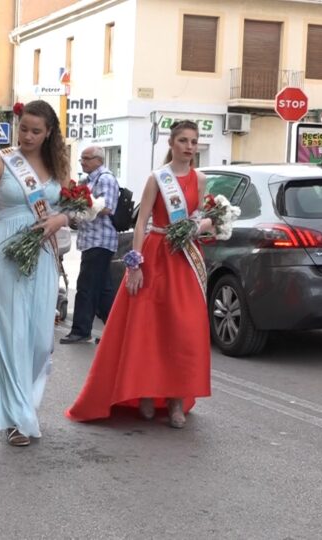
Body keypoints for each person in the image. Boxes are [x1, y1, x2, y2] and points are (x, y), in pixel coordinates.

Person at [66, 120, 212, 429]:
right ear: (171, 144)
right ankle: (145, 393)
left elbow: (205, 216)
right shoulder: (157, 178)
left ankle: (175, 400)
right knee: (149, 329)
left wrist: (201, 226)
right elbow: (142, 221)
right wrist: (135, 265)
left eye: (193, 140)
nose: (189, 146)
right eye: (183, 140)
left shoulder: (200, 179)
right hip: (156, 255)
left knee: (181, 330)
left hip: (184, 259)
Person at [0, 100, 70, 447]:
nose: (27, 136)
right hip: (4, 248)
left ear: (49, 132)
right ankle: (15, 417)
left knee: (39, 338)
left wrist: (59, 219)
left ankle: (26, 403)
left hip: (42, 251)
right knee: (10, 333)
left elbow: (73, 206)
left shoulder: (58, 164)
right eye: (23, 128)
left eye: (36, 131)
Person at [60, 145, 119, 344]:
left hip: (101, 240)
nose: (82, 161)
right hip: (91, 239)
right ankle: (116, 333)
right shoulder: (89, 180)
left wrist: (83, 205)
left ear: (98, 160)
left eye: (86, 158)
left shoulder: (106, 179)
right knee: (103, 289)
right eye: (82, 158)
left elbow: (107, 207)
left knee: (86, 285)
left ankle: (81, 330)